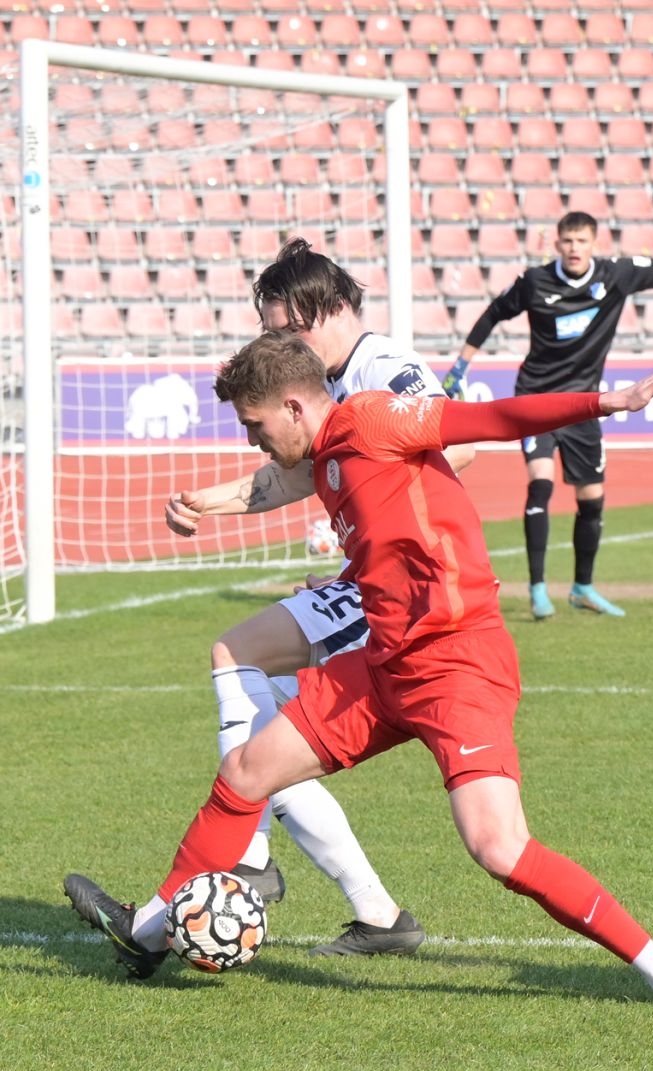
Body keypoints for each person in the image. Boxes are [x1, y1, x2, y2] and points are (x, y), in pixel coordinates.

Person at [64, 332, 653, 1009]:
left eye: (255, 425)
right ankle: (148, 936)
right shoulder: (324, 462)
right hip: (385, 667)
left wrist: (611, 400)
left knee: (498, 847)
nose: (252, 442)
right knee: (245, 773)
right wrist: (352, 573)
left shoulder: (375, 418)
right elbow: (399, 531)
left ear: (294, 407)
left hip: (458, 662)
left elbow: (491, 419)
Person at [142, 239, 469, 958]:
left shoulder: (384, 370)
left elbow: (457, 440)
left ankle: (247, 859)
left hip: (408, 583)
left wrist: (373, 502)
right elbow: (293, 476)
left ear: (325, 310)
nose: (279, 344)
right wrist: (211, 502)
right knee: (272, 713)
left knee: (242, 667)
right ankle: (377, 916)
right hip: (369, 578)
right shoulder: (326, 386)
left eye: (284, 328)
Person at [442, 210, 653, 620]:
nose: (574, 249)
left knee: (592, 500)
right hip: (536, 399)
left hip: (585, 405)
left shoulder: (615, 276)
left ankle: (582, 588)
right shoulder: (536, 282)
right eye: (567, 241)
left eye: (581, 241)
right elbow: (494, 314)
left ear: (594, 244)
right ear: (557, 245)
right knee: (541, 484)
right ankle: (537, 590)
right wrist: (461, 366)